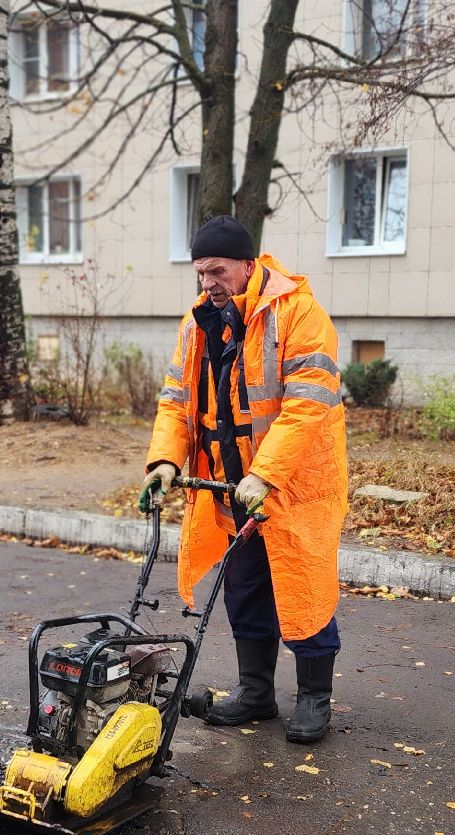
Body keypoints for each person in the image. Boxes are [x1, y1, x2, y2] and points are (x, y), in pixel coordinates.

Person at [139, 215, 347, 743]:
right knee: (245, 590)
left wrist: (265, 473)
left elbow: (307, 406)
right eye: (200, 272)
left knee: (302, 586)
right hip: (233, 485)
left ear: (248, 266)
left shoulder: (298, 314)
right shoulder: (197, 324)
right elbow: (176, 401)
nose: (207, 282)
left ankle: (314, 699)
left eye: (217, 271)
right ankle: (256, 694)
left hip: (293, 487)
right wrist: (165, 461)